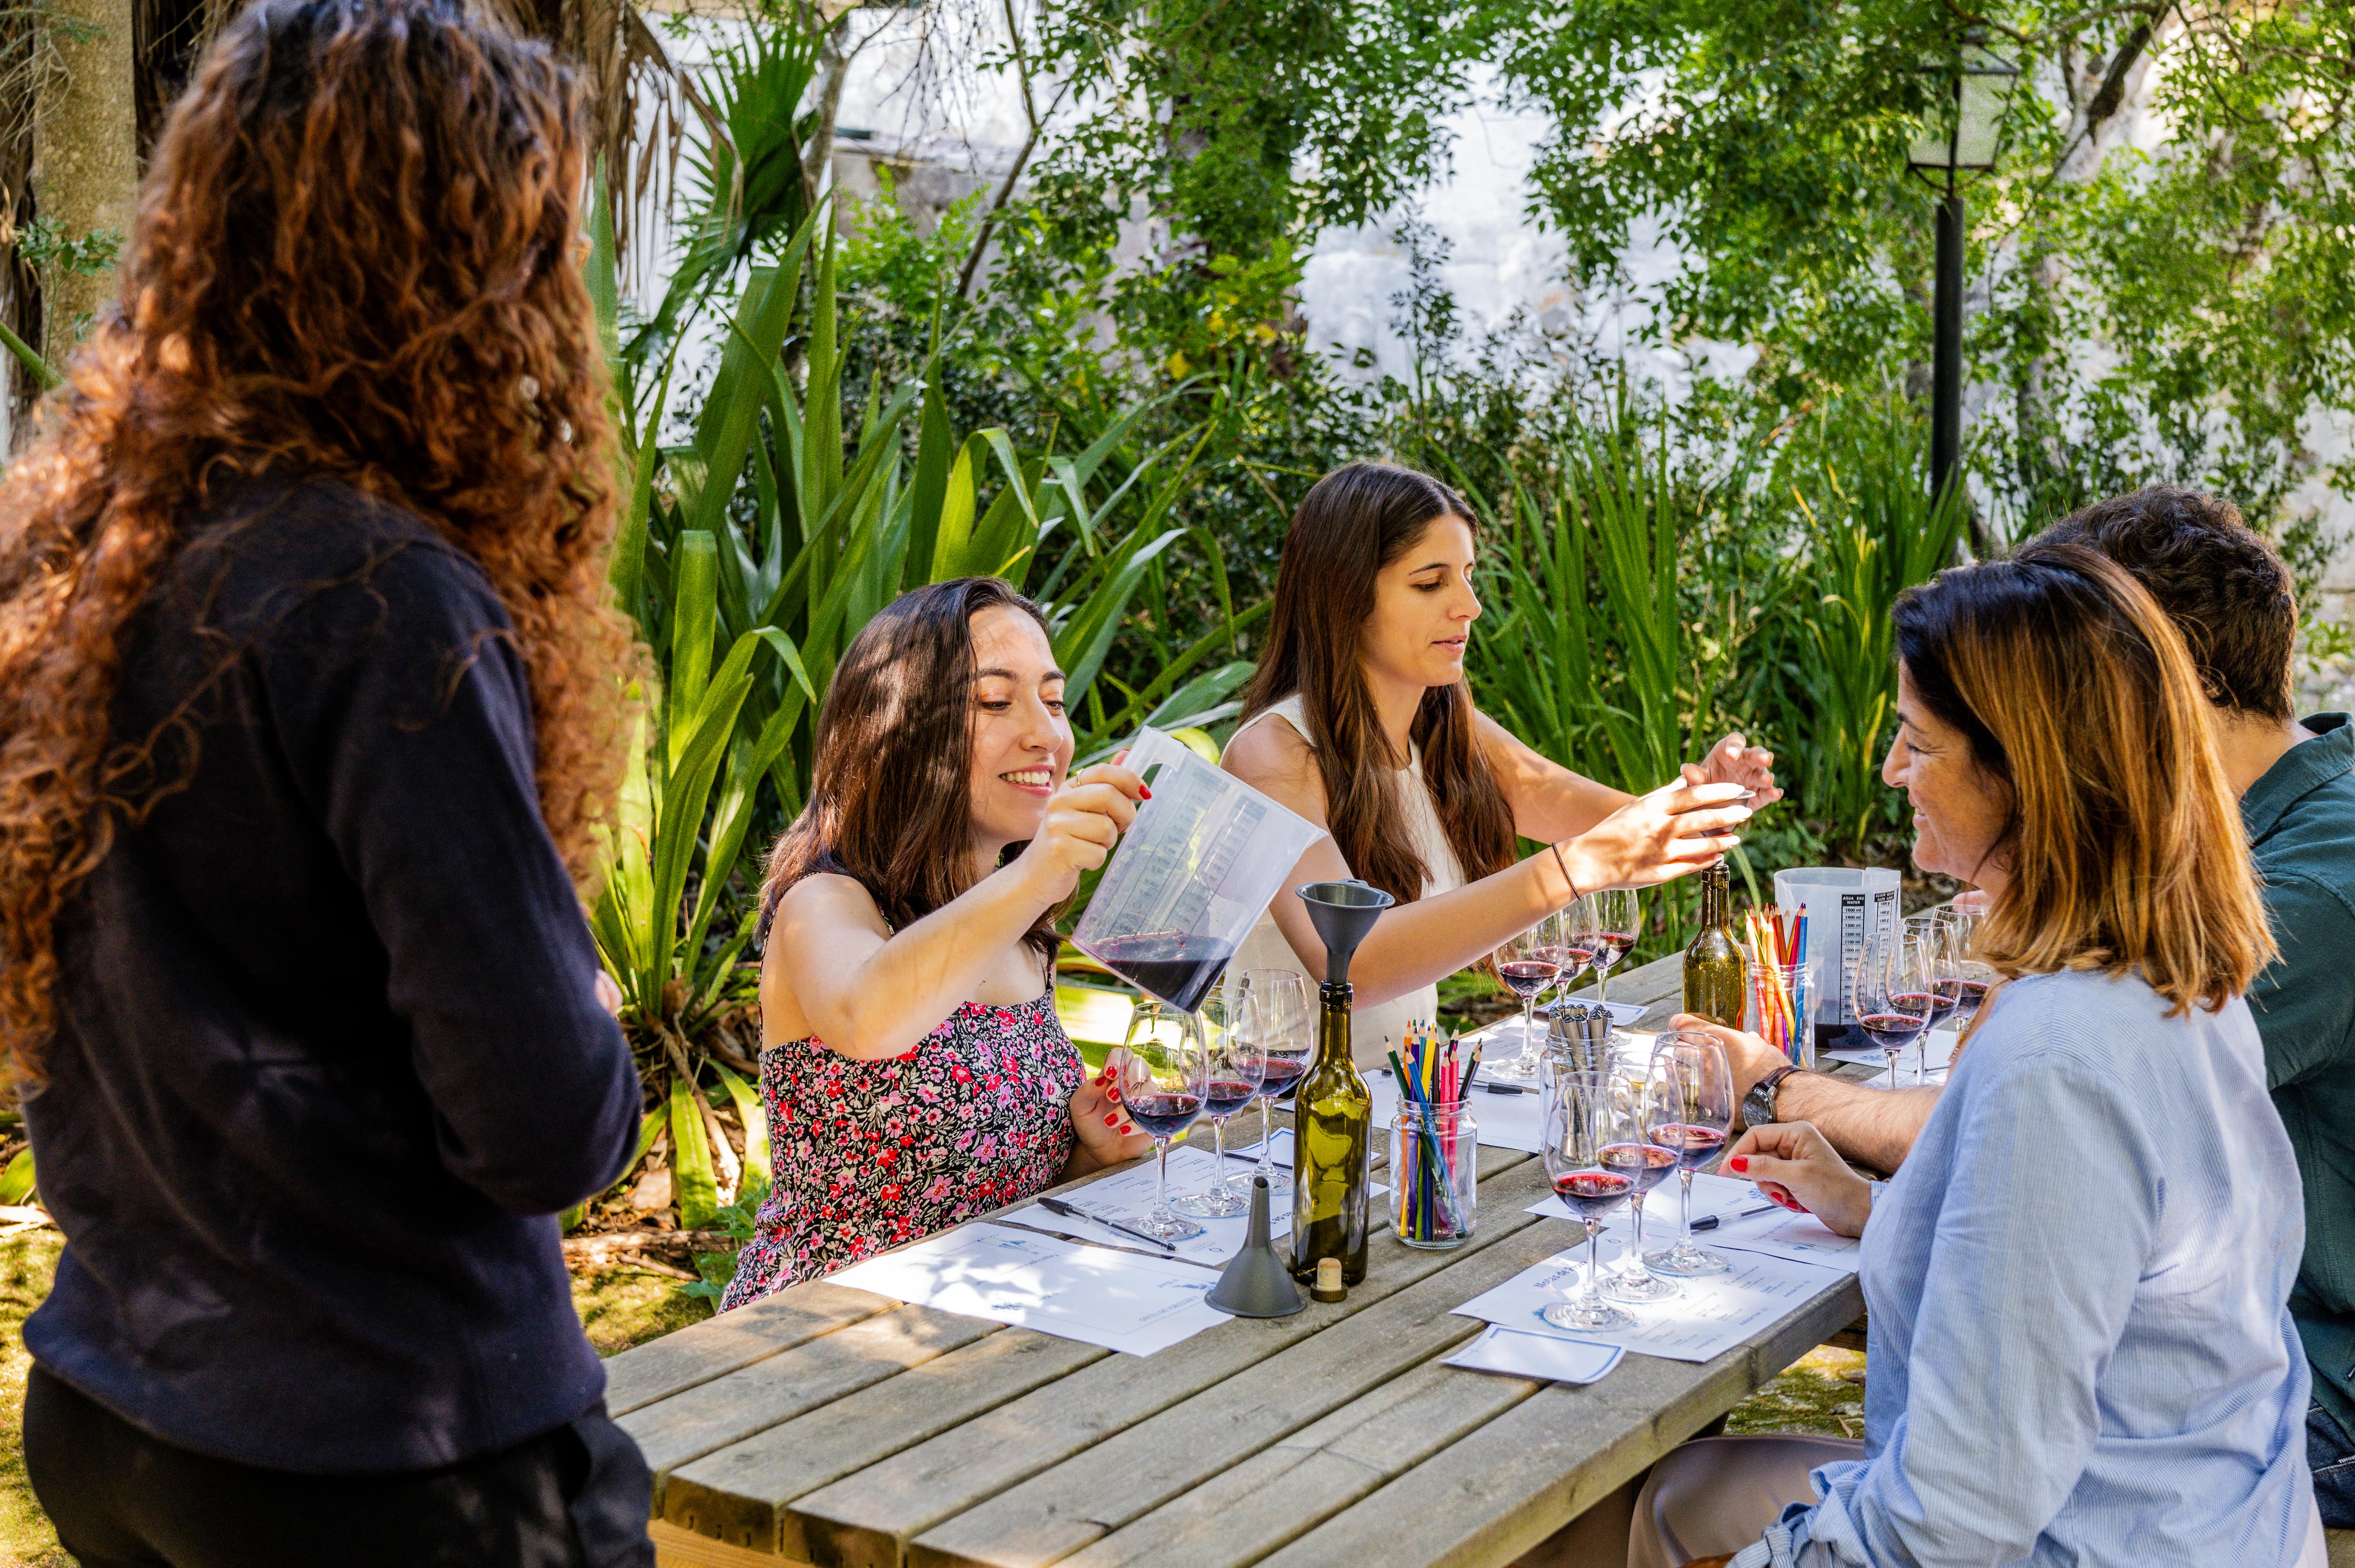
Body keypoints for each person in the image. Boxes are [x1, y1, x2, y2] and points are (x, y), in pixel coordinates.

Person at [0, 4, 657, 1563]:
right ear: (451, 268)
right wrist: (590, 1012)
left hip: (124, 1418)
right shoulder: (381, 599)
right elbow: (544, 1126)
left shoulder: (80, 564)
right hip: (390, 1464)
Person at [1637, 546, 2321, 1568]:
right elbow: (2076, 1271)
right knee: (1676, 1495)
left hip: (2093, 1540)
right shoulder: (2176, 981)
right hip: (2211, 1512)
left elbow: (1952, 1522)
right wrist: (1886, 1212)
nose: (1890, 770)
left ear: (2024, 775)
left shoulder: (2055, 1058)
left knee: (1632, 1516)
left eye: (1917, 742)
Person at [1223, 461, 1774, 1057]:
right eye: (1430, 584)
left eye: (1467, 577)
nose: (1469, 606)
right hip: (1285, 1104)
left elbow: (1616, 830)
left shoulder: (1443, 726)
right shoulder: (1272, 754)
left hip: (1416, 1092)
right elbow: (1354, 964)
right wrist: (1572, 869)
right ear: (1345, 596)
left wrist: (1708, 800)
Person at [723, 577, 1151, 1309]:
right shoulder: (824, 902)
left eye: (1053, 700)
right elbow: (866, 1018)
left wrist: (1089, 1152)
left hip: (979, 1323)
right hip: (819, 1329)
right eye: (994, 701)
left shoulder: (1023, 935)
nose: (1046, 734)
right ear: (898, 730)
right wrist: (1036, 876)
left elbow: (992, 1196)